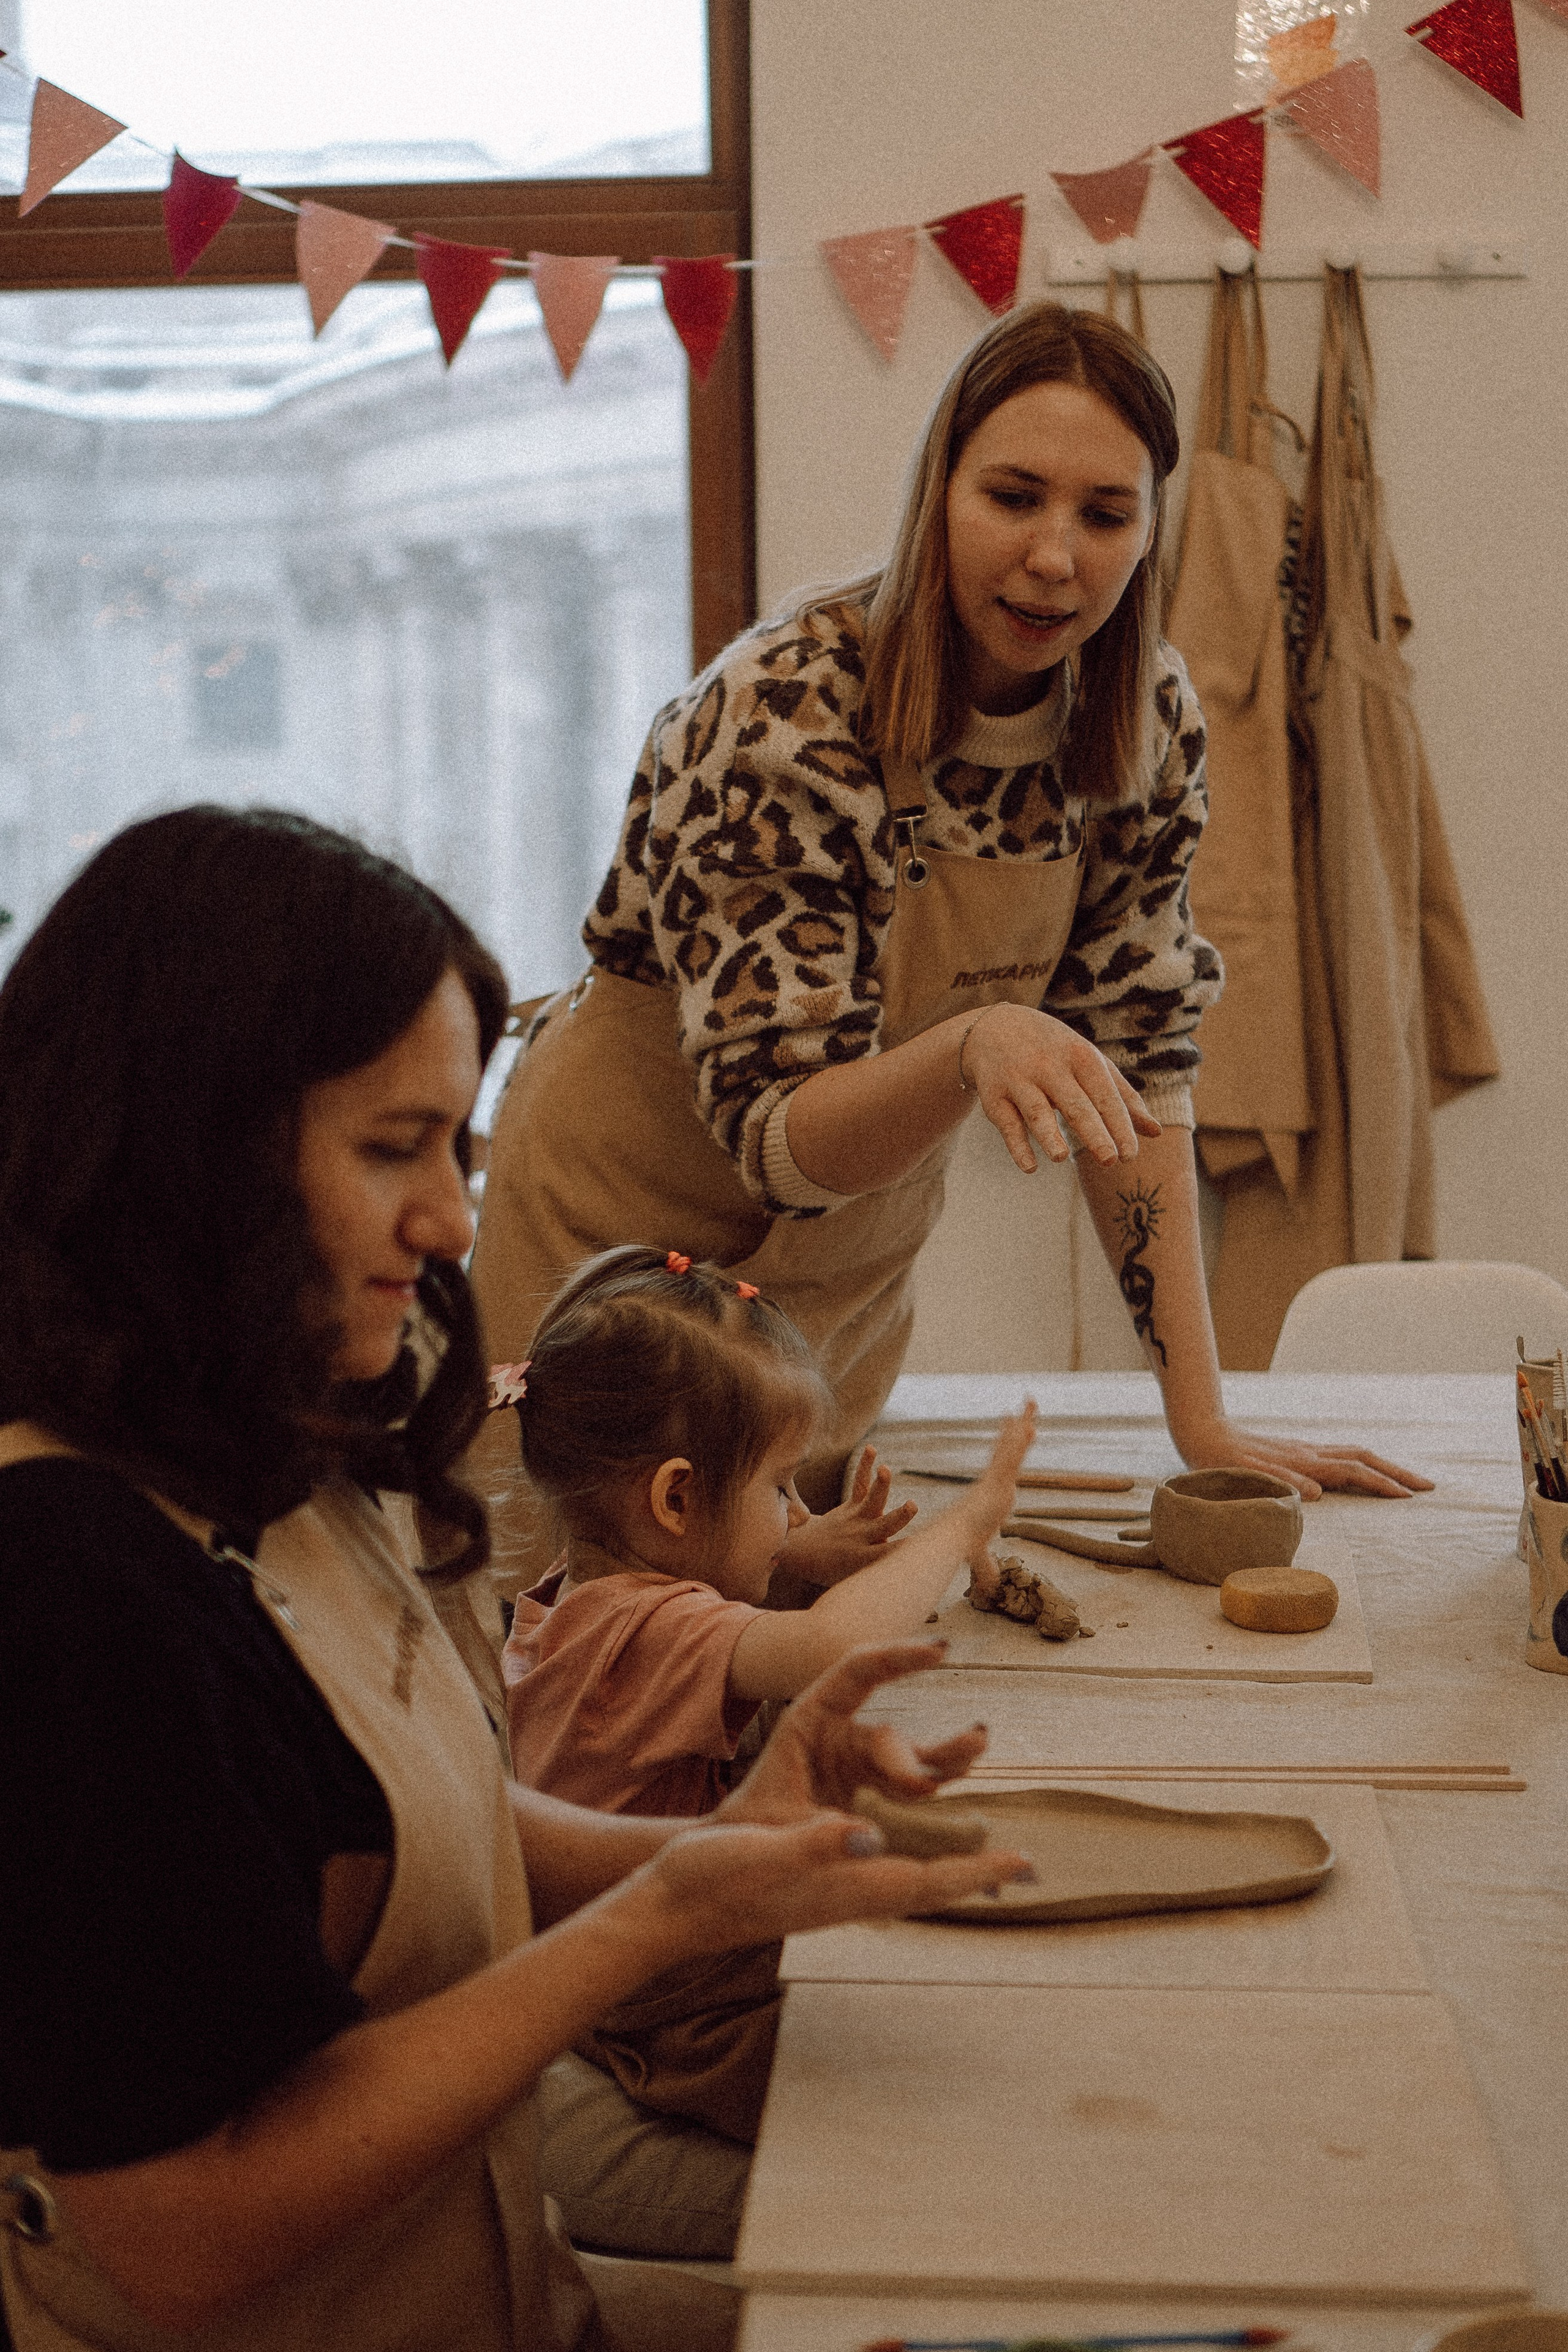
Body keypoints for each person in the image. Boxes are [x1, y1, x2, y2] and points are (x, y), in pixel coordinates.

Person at [0, 805, 1034, 2352]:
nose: (452, 1220)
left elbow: (420, 1825)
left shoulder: (288, 1431)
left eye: (458, 1147)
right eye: (390, 1148)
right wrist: (652, 1919)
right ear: (189, 1149)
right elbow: (184, 2235)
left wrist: (715, 1850)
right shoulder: (69, 1587)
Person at [470, 300, 1428, 1567]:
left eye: (1105, 514)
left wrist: (1199, 1420)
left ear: (1151, 530)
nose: (1054, 557)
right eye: (1012, 497)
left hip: (823, 1300)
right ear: (938, 492)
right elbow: (779, 1139)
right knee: (579, 1636)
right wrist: (976, 1042)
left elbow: (1137, 1069)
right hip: (609, 1245)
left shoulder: (1143, 721)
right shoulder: (780, 712)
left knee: (780, 1621)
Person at [493, 1246, 1034, 2151]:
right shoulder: (651, 1633)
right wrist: (960, 1527)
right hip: (685, 2021)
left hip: (632, 1969)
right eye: (779, 1486)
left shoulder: (579, 1597)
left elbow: (709, 1590)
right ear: (676, 1500)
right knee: (941, 2094)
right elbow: (831, 1648)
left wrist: (791, 1548)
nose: (795, 1510)